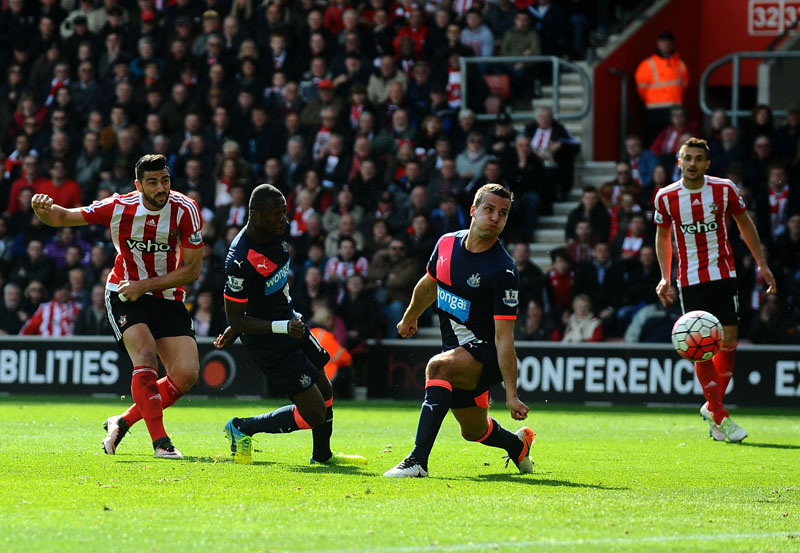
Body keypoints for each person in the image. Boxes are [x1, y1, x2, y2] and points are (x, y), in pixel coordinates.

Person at [30, 154, 204, 459]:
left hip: (165, 295)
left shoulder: (186, 209)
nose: (161, 187)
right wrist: (42, 209)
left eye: (165, 179)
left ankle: (121, 422)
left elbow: (192, 270)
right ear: (138, 185)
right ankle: (161, 443)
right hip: (124, 292)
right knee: (146, 355)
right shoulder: (119, 207)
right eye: (152, 182)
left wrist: (145, 286)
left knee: (186, 375)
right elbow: (61, 217)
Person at [384, 183, 534, 478]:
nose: (495, 218)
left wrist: (512, 394)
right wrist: (409, 317)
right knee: (474, 431)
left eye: (502, 214)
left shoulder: (503, 271)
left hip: (485, 352)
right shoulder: (446, 244)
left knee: (437, 368)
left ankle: (417, 461)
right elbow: (429, 285)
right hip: (458, 350)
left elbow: (504, 338)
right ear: (473, 211)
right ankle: (517, 446)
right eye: (489, 210)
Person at [214, 184, 366, 467]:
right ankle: (242, 427)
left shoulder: (277, 237)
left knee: (326, 389)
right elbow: (236, 317)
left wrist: (287, 322)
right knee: (314, 414)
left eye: (285, 212)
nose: (284, 219)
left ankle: (323, 456)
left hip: (290, 321)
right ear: (256, 215)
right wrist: (267, 327)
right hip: (269, 339)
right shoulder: (240, 259)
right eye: (277, 214)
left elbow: (261, 294)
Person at [653, 138, 777, 443]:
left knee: (729, 341)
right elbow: (663, 237)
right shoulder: (666, 197)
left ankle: (713, 408)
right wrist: (664, 277)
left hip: (724, 274)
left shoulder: (724, 189)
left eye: (698, 158)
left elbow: (745, 225)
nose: (692, 163)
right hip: (691, 279)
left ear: (707, 164)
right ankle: (721, 415)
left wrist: (762, 264)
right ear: (679, 161)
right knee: (701, 346)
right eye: (687, 158)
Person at [634, 31, 689, 144]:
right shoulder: (648, 64)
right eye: (663, 41)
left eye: (669, 42)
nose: (666, 44)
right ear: (658, 43)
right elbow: (641, 88)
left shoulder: (680, 64)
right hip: (655, 110)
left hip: (675, 108)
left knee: (673, 139)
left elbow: (684, 85)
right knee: (655, 139)